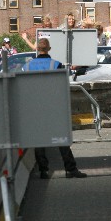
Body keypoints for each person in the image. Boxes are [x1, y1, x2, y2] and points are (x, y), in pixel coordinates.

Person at [26, 38, 86, 179]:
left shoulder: (27, 66)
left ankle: (43, 171)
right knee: (61, 138)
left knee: (39, 140)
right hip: (53, 105)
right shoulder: (56, 64)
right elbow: (62, 86)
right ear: (49, 49)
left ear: (37, 49)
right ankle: (70, 169)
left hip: (35, 107)